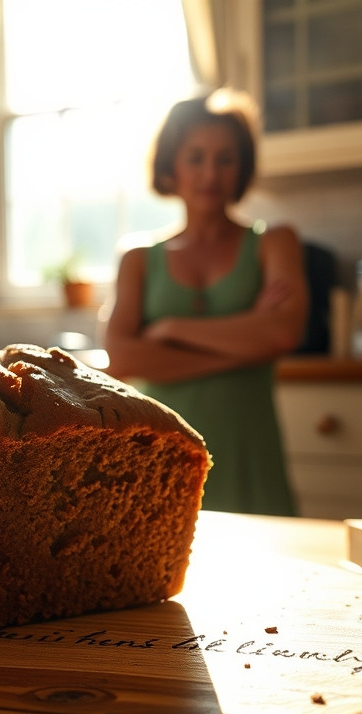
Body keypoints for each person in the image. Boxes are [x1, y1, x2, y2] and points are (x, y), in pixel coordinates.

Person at [104, 90, 308, 516]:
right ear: (171, 166)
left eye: (226, 158)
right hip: (164, 448)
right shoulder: (138, 257)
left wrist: (172, 330)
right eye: (196, 157)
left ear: (242, 168)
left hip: (249, 446)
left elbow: (283, 331)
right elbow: (122, 355)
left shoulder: (275, 242)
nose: (211, 173)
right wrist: (245, 344)